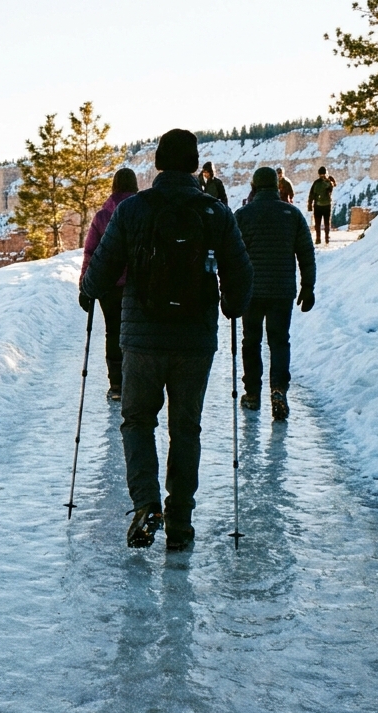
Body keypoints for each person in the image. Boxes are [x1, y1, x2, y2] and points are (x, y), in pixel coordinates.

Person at [80, 129, 252, 551]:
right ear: (194, 164)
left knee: (137, 420)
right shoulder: (216, 213)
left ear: (157, 162)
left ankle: (145, 504)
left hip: (142, 340)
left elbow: (100, 272)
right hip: (195, 342)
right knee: (185, 430)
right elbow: (242, 280)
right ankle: (180, 523)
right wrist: (231, 304)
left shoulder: (133, 210)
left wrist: (88, 294)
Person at [235, 167, 315, 422]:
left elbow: (233, 254)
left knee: (251, 341)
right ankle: (279, 390)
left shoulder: (243, 215)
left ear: (255, 186)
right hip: (282, 291)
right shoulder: (292, 214)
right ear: (277, 186)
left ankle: (252, 394)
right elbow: (306, 254)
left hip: (252, 292)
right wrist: (308, 287)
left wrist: (230, 289)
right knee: (279, 342)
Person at [80, 168, 139, 401]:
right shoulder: (142, 211)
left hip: (108, 286)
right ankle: (134, 382)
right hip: (136, 285)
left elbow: (90, 253)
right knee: (135, 333)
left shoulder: (102, 216)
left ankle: (116, 385)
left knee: (112, 332)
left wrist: (85, 286)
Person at [308, 166, 336, 244]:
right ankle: (324, 238)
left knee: (319, 223)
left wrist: (310, 205)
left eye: (323, 174)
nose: (322, 176)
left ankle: (320, 238)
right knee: (325, 223)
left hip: (319, 205)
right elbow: (312, 194)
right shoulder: (328, 182)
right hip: (325, 205)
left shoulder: (318, 182)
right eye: (321, 174)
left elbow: (311, 194)